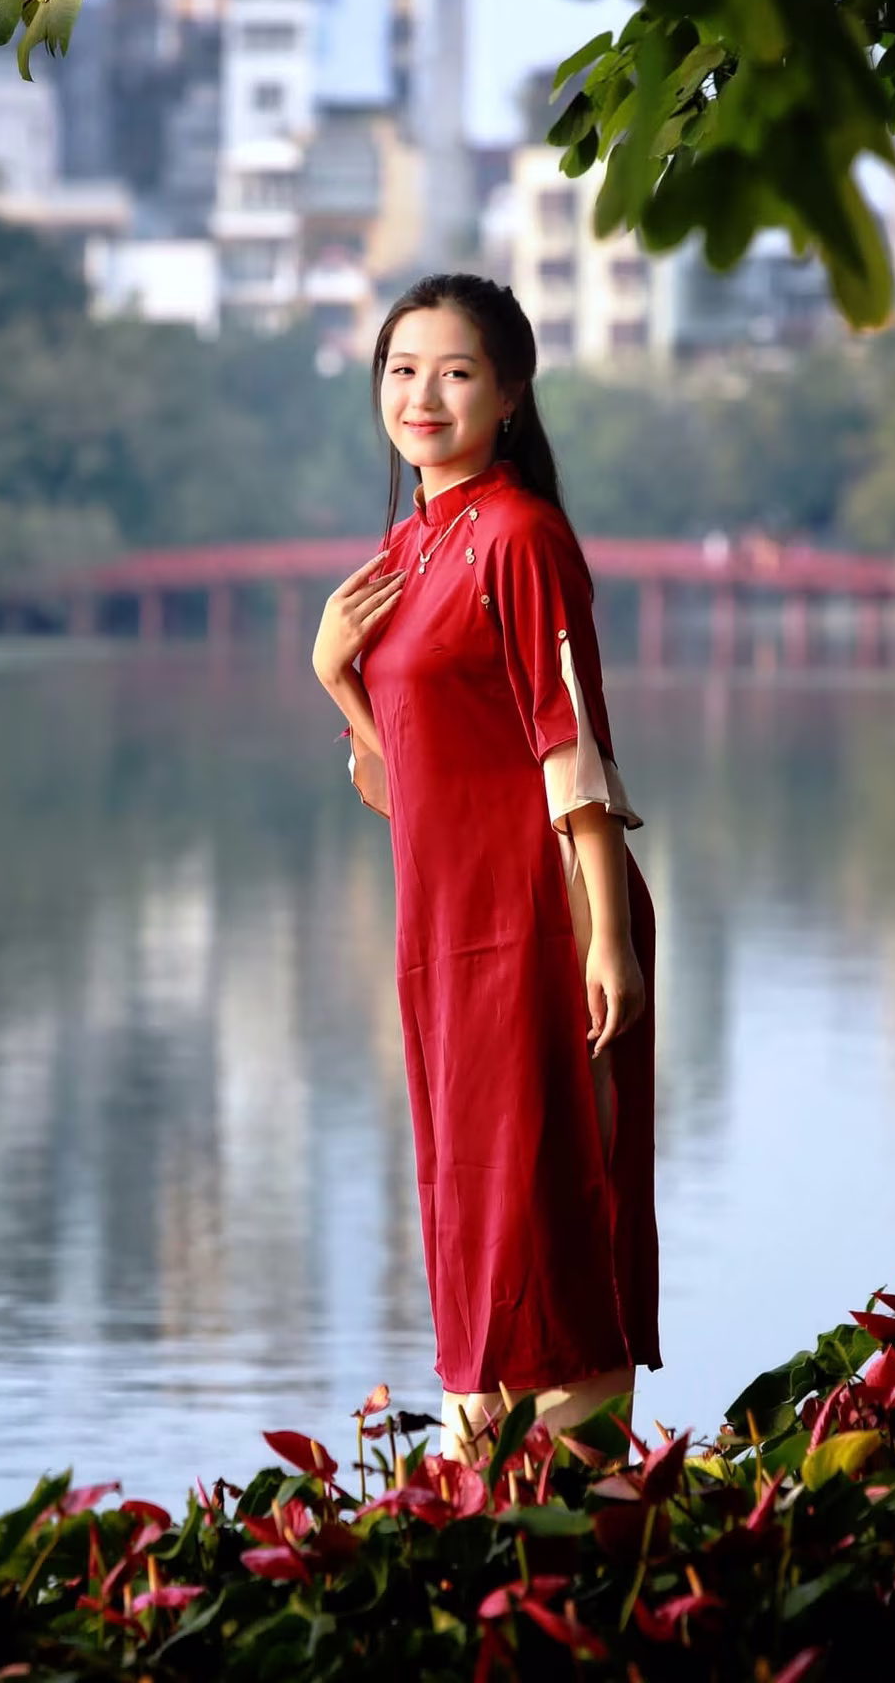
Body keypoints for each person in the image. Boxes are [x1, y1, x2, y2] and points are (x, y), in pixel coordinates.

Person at [312, 274, 661, 1460]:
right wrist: (335, 675)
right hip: (445, 933)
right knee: (471, 1202)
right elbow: (405, 782)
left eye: (455, 372)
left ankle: (579, 1504)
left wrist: (608, 941)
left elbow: (571, 746)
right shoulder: (408, 548)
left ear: (509, 394)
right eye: (401, 370)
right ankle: (494, 1504)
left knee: (547, 1203)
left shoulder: (518, 535)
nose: (423, 395)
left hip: (542, 920)